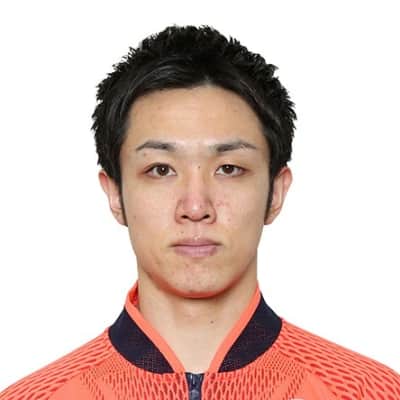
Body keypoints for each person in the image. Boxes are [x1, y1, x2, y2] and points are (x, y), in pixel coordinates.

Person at [0, 24, 399, 400]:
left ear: (276, 193)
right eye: (160, 170)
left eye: (229, 168)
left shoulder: (371, 391)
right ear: (115, 194)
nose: (195, 207)